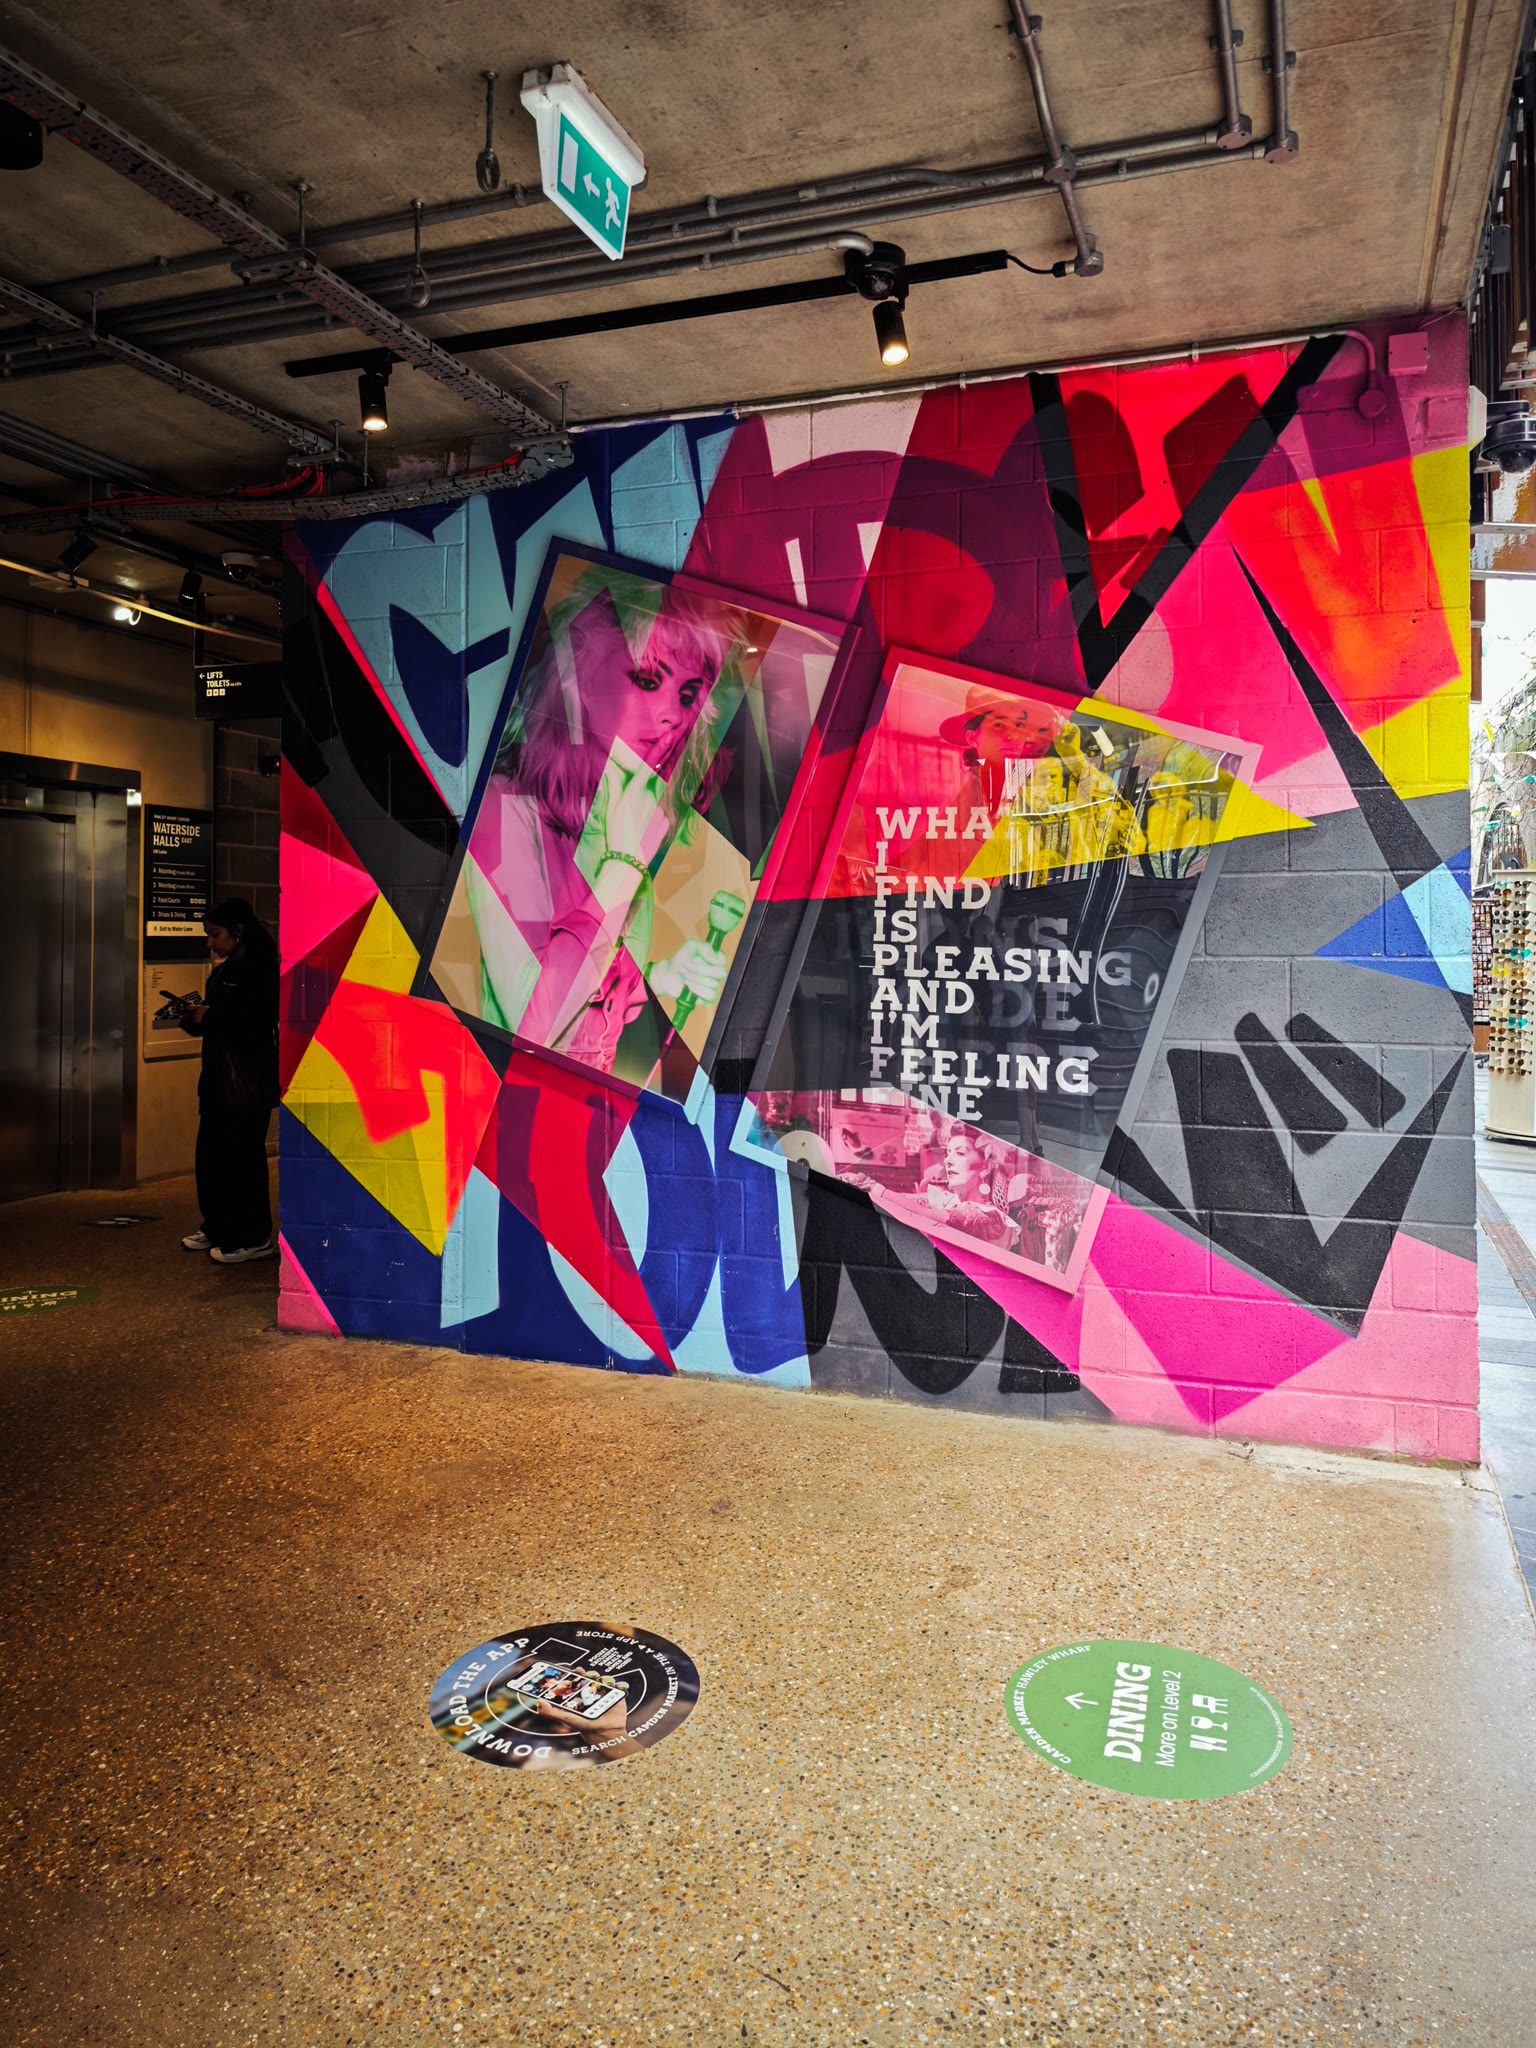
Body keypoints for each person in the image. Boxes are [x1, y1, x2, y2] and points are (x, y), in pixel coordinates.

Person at [465, 566, 745, 1073]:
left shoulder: (628, 816)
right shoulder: (507, 809)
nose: (672, 715)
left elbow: (593, 993)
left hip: (594, 1108)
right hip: (517, 1104)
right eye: (647, 678)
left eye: (688, 695)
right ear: (579, 675)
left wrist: (660, 975)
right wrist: (621, 866)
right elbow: (532, 1024)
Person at [177, 898, 279, 1264]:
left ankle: (254, 1236)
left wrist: (211, 1017)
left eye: (214, 934)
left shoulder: (262, 970)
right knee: (211, 1158)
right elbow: (217, 1020)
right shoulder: (222, 974)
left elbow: (256, 1022)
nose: (210, 943)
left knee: (243, 1160)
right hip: (217, 1079)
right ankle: (219, 1226)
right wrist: (193, 1018)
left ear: (238, 930)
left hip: (248, 1081)